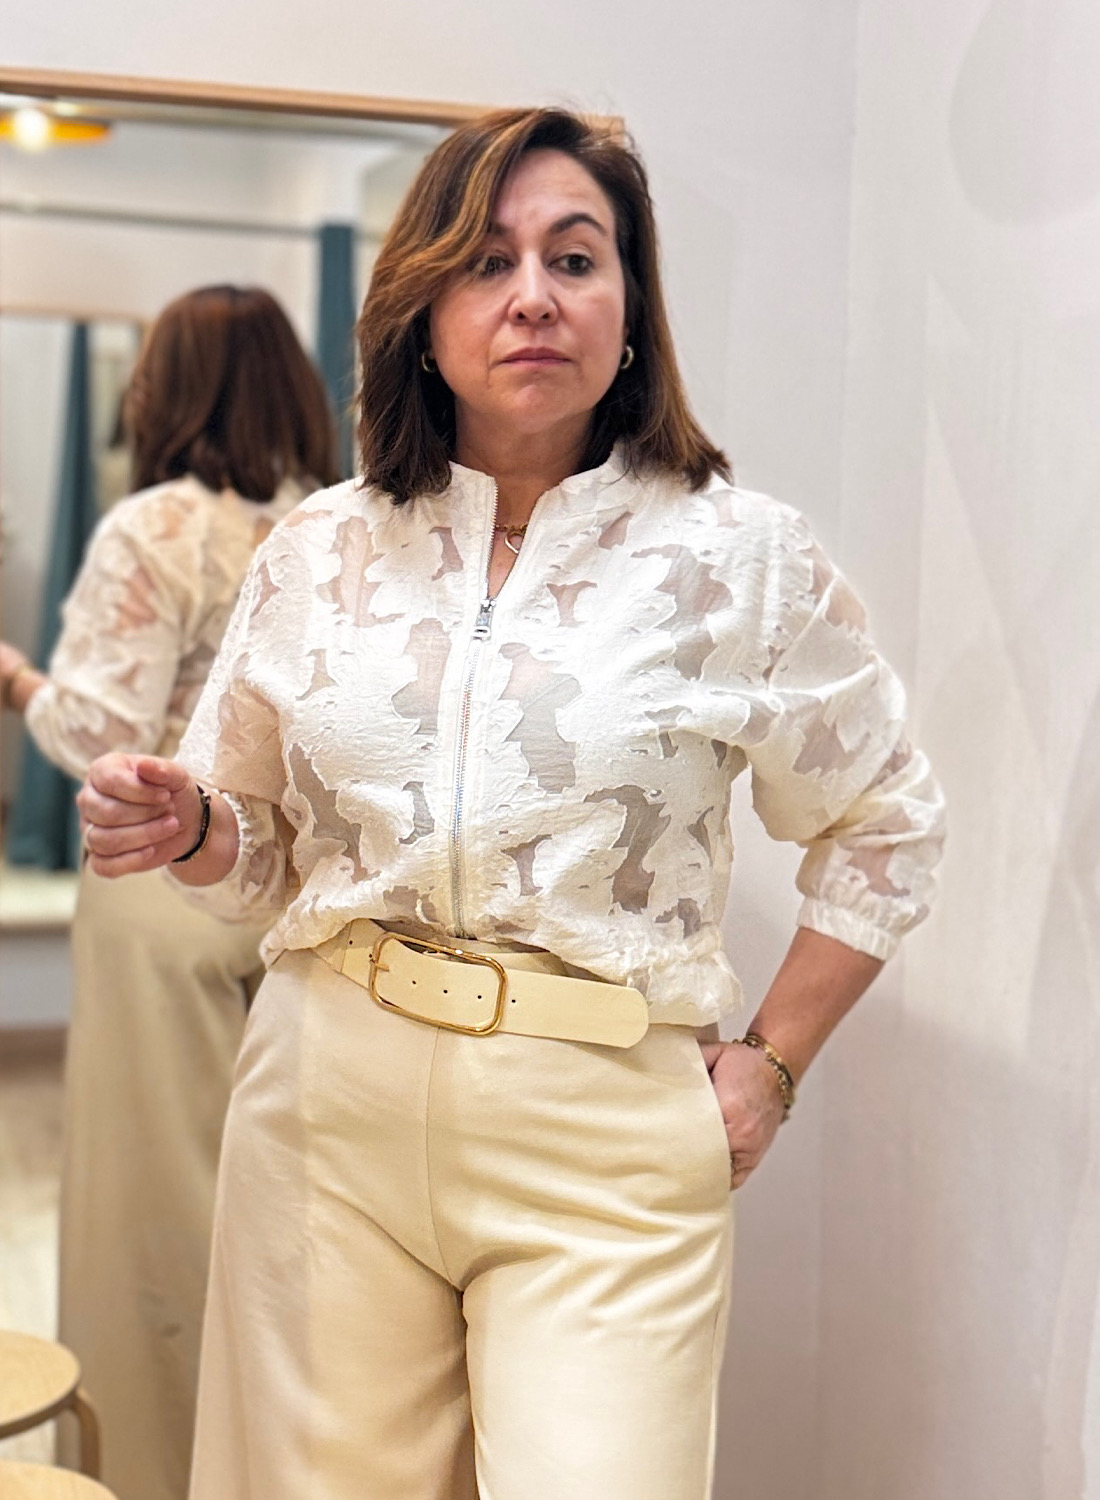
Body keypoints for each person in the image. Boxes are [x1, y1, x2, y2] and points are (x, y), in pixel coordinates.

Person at [76, 111, 945, 1500]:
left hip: (602, 1133)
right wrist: (192, 828)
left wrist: (770, 1066)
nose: (532, 294)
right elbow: (261, 856)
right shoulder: (319, 549)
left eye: (574, 258)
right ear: (422, 315)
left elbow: (886, 824)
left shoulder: (741, 559)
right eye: (486, 262)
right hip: (325, 1106)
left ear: (629, 309)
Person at [0, 285, 337, 1500]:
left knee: (153, 1213)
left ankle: (150, 1472)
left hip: (158, 887)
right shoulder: (330, 529)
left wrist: (19, 681)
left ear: (165, 388)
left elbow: (105, 733)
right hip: (284, 887)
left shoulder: (156, 527)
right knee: (273, 1205)